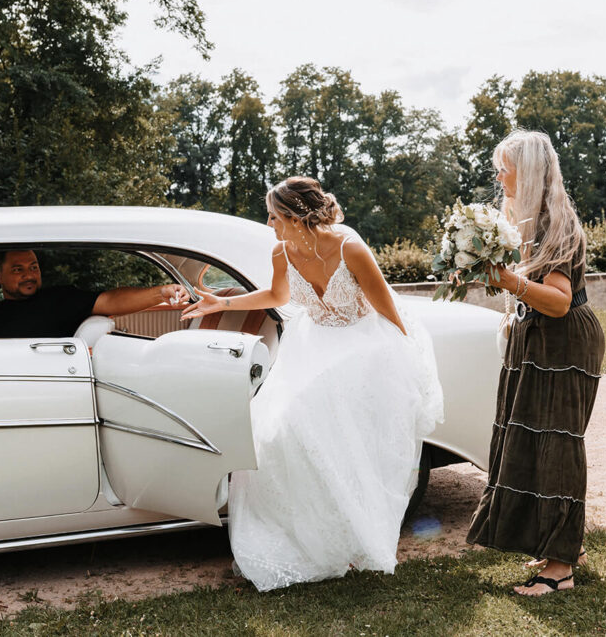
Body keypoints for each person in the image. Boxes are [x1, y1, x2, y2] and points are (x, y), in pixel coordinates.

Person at [181, 176, 443, 592]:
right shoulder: (281, 251)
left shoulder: (351, 248)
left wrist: (406, 367)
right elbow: (277, 295)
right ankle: (307, 538)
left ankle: (356, 541)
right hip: (313, 348)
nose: (268, 224)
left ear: (294, 216)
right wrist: (222, 302)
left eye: (273, 216)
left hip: (363, 350)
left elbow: (388, 312)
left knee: (351, 449)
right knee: (281, 436)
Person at [464, 130, 606, 596]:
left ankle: (559, 569)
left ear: (526, 171)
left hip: (563, 342)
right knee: (527, 436)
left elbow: (561, 302)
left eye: (504, 166)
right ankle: (561, 543)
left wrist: (505, 280)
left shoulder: (556, 223)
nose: (497, 173)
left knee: (556, 444)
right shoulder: (520, 218)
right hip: (535, 337)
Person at [0, 249, 188, 339]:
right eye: (18, 269)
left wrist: (161, 292)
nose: (28, 274)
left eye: (33, 267)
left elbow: (110, 300)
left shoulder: (60, 300)